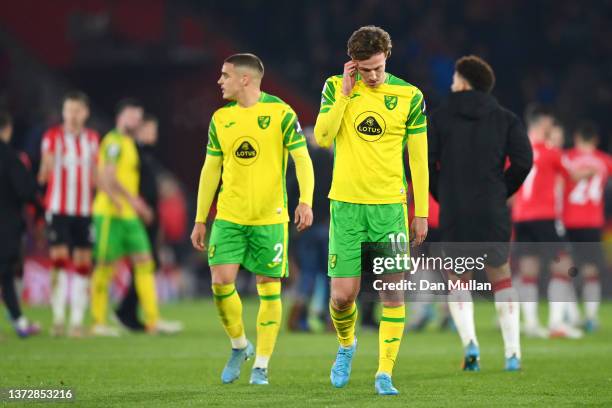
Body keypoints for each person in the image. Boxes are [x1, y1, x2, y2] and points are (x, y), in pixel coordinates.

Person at [314, 26, 429, 395]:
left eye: (378, 67)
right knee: (341, 297)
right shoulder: (335, 88)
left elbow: (420, 160)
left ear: (387, 58)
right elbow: (322, 136)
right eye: (366, 70)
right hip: (346, 206)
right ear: (353, 65)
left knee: (392, 295)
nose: (374, 76)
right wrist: (346, 97)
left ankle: (384, 373)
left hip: (389, 209)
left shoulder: (410, 95)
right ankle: (347, 346)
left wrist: (421, 210)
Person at [190, 53, 314, 385]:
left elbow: (303, 159)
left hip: (269, 219)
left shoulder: (281, 113)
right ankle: (239, 345)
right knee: (220, 282)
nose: (220, 81)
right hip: (229, 217)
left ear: (245, 79)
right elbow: (210, 169)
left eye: (225, 75)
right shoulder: (220, 119)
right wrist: (201, 218)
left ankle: (261, 364)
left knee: (268, 289)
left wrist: (305, 201)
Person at [429, 55, 532, 371]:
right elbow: (524, 161)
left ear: (462, 81)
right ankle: (512, 352)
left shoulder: (439, 117)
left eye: (453, 78)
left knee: (458, 280)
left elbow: (423, 164)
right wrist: (501, 191)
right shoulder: (506, 118)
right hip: (491, 209)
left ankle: (470, 345)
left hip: (455, 211)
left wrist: (443, 194)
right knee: (501, 276)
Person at [90, 99, 168, 336]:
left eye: (138, 116)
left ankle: (154, 321)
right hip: (110, 213)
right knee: (104, 266)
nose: (136, 120)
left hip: (128, 215)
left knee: (145, 261)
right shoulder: (113, 141)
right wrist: (133, 200)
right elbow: (108, 175)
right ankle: (98, 323)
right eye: (132, 115)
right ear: (121, 116)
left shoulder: (128, 143)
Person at [512, 105, 589, 339]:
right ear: (543, 123)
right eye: (549, 122)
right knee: (563, 267)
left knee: (528, 271)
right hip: (544, 218)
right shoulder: (551, 151)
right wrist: (592, 171)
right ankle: (557, 323)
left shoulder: (517, 150)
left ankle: (532, 324)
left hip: (521, 217)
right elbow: (573, 174)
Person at [38, 91, 99, 337]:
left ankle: (76, 322)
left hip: (84, 210)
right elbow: (43, 174)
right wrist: (47, 165)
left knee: (83, 264)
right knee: (60, 262)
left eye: (77, 110)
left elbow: (96, 175)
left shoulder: (93, 139)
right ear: (63, 112)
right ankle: (58, 319)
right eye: (69, 110)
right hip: (58, 208)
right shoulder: (52, 137)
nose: (73, 115)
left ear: (85, 113)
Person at [114, 114, 182, 333]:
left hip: (150, 213)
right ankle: (130, 313)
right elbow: (131, 183)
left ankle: (128, 313)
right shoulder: (134, 152)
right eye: (150, 131)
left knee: (146, 264)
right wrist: (141, 206)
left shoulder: (147, 154)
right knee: (146, 263)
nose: (154, 135)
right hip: (139, 214)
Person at [561, 122, 612, 332]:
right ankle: (590, 317)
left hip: (568, 221)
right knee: (591, 270)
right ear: (596, 140)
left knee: (567, 270)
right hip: (592, 222)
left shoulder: (566, 158)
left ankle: (573, 315)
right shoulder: (606, 161)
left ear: (576, 137)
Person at [0, 112, 41, 337]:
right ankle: (19, 322)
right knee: (6, 273)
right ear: (7, 129)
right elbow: (26, 190)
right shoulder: (10, 157)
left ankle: (19, 320)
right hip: (5, 226)